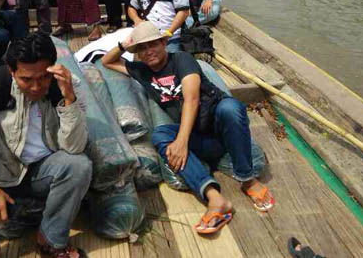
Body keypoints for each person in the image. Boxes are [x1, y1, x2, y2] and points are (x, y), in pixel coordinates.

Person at [101, 22, 274, 235]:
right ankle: (214, 198)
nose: (148, 51)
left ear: (164, 42)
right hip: (198, 138)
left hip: (217, 127)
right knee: (160, 135)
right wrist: (124, 44)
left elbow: (191, 99)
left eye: (153, 44)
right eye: (142, 48)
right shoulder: (141, 71)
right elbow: (106, 61)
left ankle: (248, 179)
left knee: (231, 107)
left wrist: (181, 141)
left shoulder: (182, 59)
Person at [0, 32, 92, 258]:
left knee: (79, 165)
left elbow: (74, 147)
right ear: (12, 71)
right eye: (26, 79)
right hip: (2, 166)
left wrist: (68, 101)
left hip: (43, 170)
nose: (35, 87)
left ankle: (51, 239)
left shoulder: (67, 86)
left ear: (53, 68)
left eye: (43, 77)